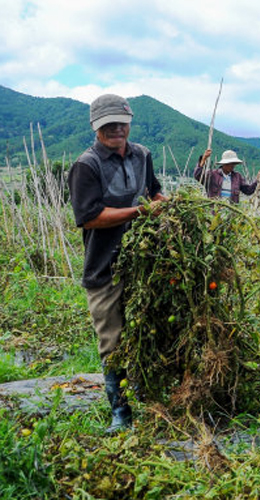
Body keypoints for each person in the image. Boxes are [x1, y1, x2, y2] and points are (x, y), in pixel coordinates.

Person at [67, 94, 167, 432]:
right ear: (96, 128)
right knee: (112, 339)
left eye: (121, 123)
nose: (116, 129)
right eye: (108, 125)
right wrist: (140, 211)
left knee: (145, 329)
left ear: (129, 122)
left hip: (142, 261)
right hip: (104, 267)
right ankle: (121, 412)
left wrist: (168, 206)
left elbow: (153, 191)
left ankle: (144, 392)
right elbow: (90, 217)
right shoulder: (87, 164)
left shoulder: (142, 155)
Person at [193, 149, 260, 203]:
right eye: (230, 163)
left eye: (234, 163)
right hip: (215, 213)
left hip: (231, 214)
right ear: (224, 164)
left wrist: (257, 180)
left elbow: (248, 191)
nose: (232, 166)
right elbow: (198, 176)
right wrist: (203, 160)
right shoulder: (212, 175)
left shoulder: (237, 177)